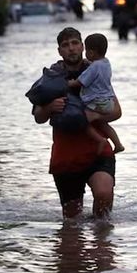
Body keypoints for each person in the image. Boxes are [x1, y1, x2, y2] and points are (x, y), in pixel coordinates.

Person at [32, 27, 121, 219]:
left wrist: (95, 116)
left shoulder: (97, 70)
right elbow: (39, 117)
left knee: (104, 199)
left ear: (83, 46)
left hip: (98, 151)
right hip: (66, 157)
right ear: (59, 51)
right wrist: (49, 107)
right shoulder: (51, 77)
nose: (71, 48)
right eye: (65, 45)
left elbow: (116, 111)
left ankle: (102, 243)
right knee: (72, 223)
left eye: (74, 43)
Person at [67, 33, 124, 155]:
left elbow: (82, 81)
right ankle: (118, 144)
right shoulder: (105, 63)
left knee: (82, 119)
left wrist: (71, 83)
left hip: (97, 102)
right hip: (108, 102)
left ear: (91, 53)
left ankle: (100, 140)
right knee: (103, 123)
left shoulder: (94, 67)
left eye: (87, 51)